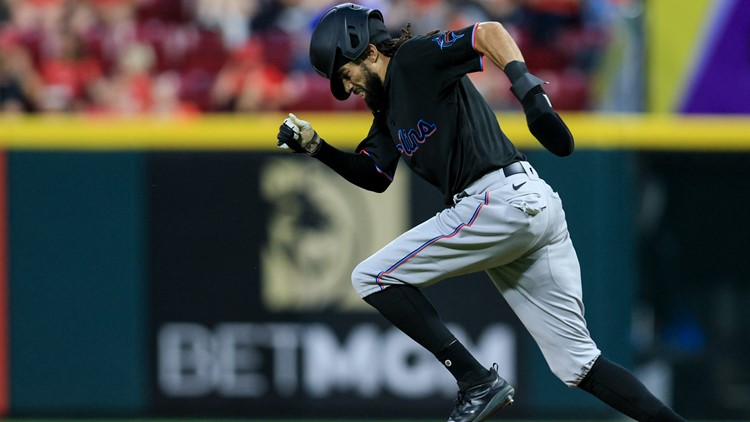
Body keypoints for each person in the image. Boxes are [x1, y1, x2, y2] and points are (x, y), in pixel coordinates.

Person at [275, 3, 687, 422]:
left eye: (346, 74)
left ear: (368, 50)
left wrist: (530, 92)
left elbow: (488, 32)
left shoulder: (412, 59)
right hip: (527, 205)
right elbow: (376, 175)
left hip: (498, 201)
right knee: (578, 365)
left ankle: (476, 381)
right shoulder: (388, 112)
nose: (350, 88)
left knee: (371, 276)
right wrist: (316, 148)